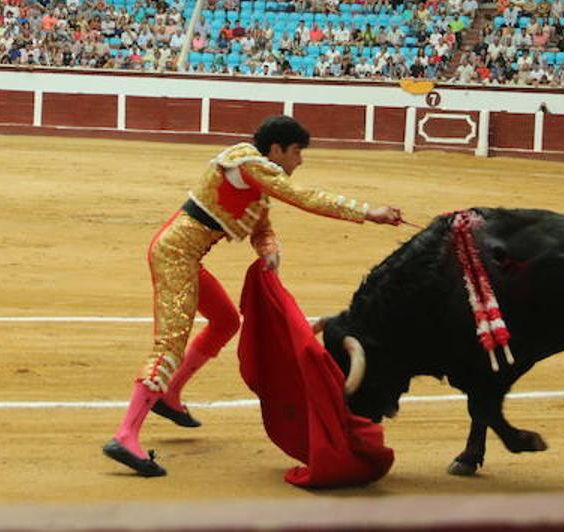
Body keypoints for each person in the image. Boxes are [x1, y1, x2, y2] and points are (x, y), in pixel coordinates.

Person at [102, 115, 402, 477]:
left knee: (226, 321)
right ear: (276, 149)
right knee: (169, 345)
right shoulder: (248, 164)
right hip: (176, 255)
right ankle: (126, 434)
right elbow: (303, 197)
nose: (300, 160)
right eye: (296, 152)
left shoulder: (254, 178)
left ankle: (170, 394)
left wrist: (268, 248)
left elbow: (262, 225)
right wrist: (368, 212)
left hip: (185, 255)